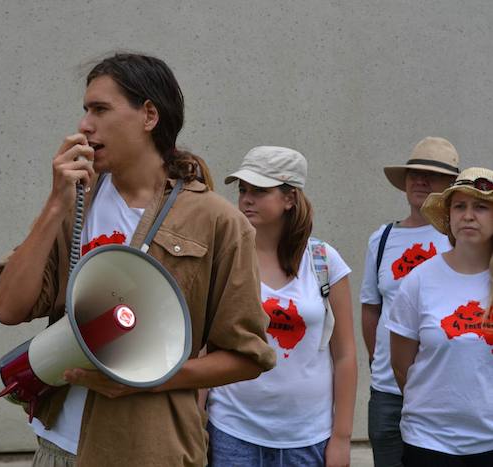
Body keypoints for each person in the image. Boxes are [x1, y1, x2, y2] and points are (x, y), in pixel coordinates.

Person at [0, 53, 276, 467]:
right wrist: (55, 204)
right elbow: (8, 307)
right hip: (58, 449)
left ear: (149, 115)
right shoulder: (76, 203)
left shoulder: (217, 221)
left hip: (147, 451)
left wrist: (145, 381)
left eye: (101, 109)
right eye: (85, 110)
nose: (85, 125)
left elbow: (247, 357)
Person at [205, 146, 357, 467]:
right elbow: (207, 348)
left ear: (290, 198)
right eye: (243, 190)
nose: (246, 199)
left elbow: (344, 355)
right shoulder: (226, 258)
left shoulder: (324, 262)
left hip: (308, 438)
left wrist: (342, 439)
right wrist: (194, 423)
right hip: (233, 431)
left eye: (259, 191)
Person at [360, 137, 460, 466]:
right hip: (389, 393)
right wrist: (382, 360)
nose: (420, 180)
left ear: (450, 185)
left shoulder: (460, 239)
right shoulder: (383, 238)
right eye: (414, 173)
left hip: (444, 392)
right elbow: (371, 308)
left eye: (431, 175)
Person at [387, 167, 493, 466]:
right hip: (429, 442)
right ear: (449, 216)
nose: (468, 215)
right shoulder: (419, 281)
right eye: (460, 206)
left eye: (481, 206)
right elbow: (401, 366)